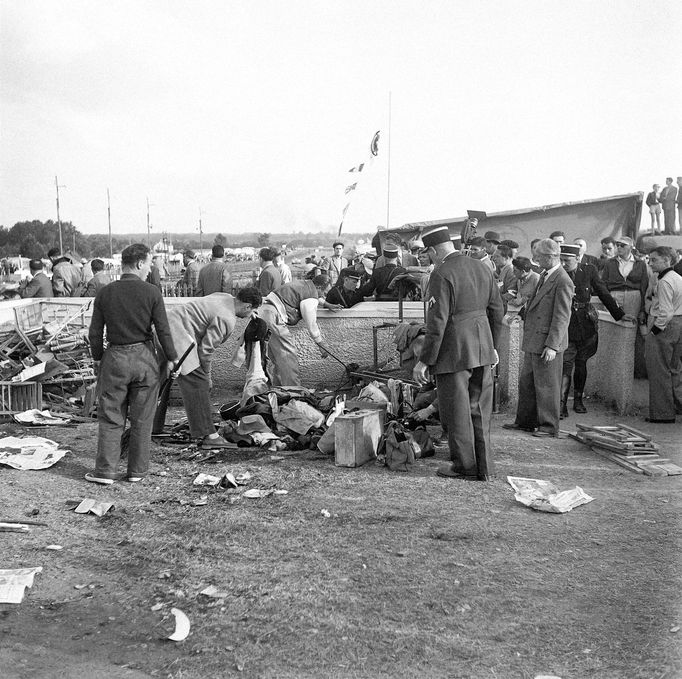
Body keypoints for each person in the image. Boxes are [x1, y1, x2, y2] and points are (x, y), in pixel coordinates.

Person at [413, 223, 504, 481]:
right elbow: (497, 312)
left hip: (454, 352)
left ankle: (465, 465)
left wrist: (425, 360)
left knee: (458, 410)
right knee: (480, 409)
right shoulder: (482, 267)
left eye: (426, 253)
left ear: (432, 250)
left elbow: (437, 321)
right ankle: (484, 466)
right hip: (482, 348)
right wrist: (492, 346)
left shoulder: (441, 274)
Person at [86, 243, 178, 485]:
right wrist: (171, 358)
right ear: (139, 263)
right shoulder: (152, 292)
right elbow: (164, 331)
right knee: (142, 419)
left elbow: (94, 333)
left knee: (111, 417)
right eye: (148, 263)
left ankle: (105, 472)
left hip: (115, 358)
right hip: (145, 360)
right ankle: (136, 471)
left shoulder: (104, 293)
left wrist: (98, 358)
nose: (150, 268)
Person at [161, 288, 262, 448]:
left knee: (158, 381)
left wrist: (251, 313)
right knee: (198, 383)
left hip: (165, 325)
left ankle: (154, 426)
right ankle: (210, 436)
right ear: (247, 306)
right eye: (252, 311)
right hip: (177, 334)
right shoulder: (226, 318)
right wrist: (207, 376)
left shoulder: (224, 297)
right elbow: (205, 351)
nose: (250, 315)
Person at [503, 238, 574, 437]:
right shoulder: (544, 275)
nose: (534, 260)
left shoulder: (562, 280)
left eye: (539, 256)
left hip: (546, 342)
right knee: (528, 384)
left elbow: (562, 316)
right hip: (535, 339)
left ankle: (549, 426)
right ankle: (526, 421)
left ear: (551, 257)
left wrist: (552, 345)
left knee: (547, 386)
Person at [558, 244, 631, 417]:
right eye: (561, 259)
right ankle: (561, 404)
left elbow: (604, 293)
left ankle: (578, 400)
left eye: (566, 260)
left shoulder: (589, 270)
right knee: (566, 365)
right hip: (566, 324)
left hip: (585, 325)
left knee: (581, 363)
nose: (563, 263)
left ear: (577, 259)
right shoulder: (558, 273)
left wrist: (619, 315)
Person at [256, 274, 332, 386]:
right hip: (273, 317)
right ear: (319, 287)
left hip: (262, 312)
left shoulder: (304, 284)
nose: (323, 296)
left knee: (275, 359)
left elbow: (309, 296)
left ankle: (277, 390)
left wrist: (325, 303)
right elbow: (311, 322)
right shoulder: (311, 296)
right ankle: (293, 392)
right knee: (288, 357)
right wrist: (321, 343)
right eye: (324, 293)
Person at [643, 246, 682, 423]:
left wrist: (654, 331)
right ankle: (677, 406)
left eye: (654, 260)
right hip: (678, 325)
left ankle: (662, 414)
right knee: (674, 369)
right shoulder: (677, 278)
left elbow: (665, 313)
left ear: (667, 260)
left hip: (665, 326)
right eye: (649, 260)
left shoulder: (665, 281)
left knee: (659, 370)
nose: (650, 263)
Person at [600, 236, 648, 319]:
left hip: (633, 296)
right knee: (612, 321)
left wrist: (643, 308)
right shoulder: (610, 263)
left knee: (630, 322)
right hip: (614, 294)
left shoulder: (640, 264)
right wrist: (607, 299)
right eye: (617, 245)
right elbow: (603, 283)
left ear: (630, 247)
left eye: (622, 245)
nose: (619, 247)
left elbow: (644, 286)